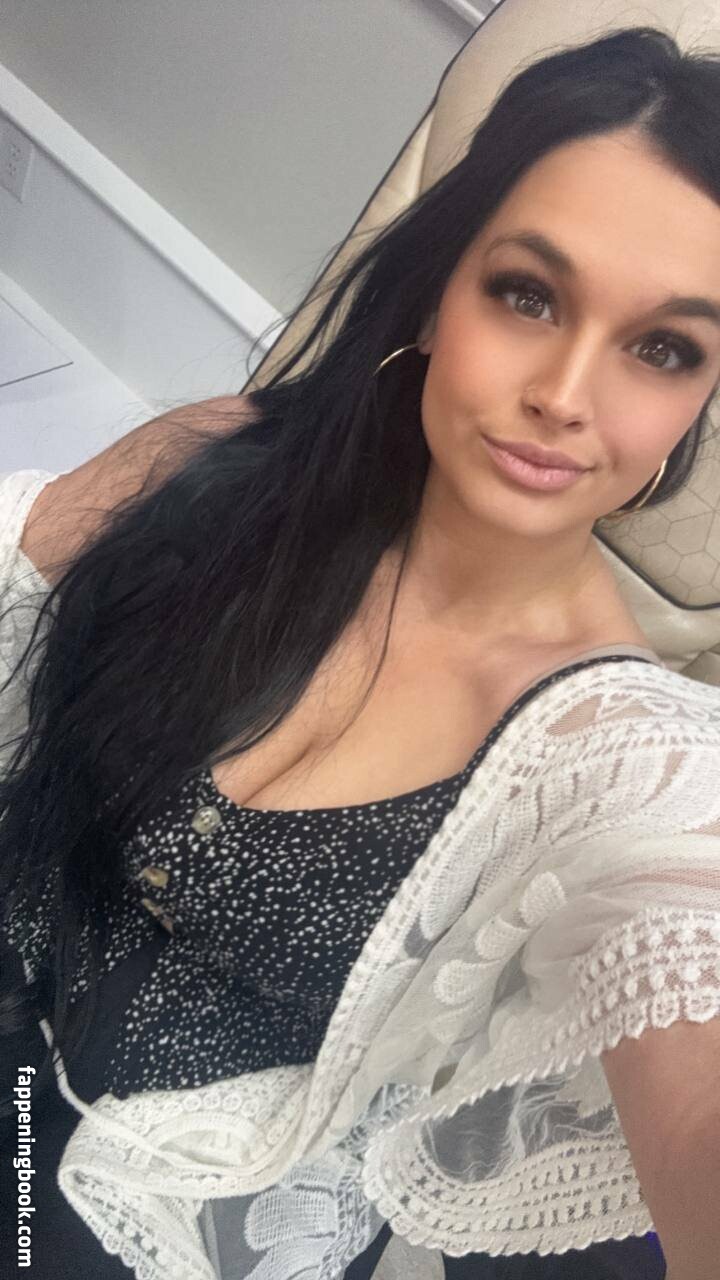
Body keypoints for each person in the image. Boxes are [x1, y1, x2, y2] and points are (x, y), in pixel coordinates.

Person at [2, 22, 720, 1280]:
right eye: (529, 293)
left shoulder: (621, 764)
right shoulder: (213, 468)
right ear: (439, 294)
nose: (564, 393)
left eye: (663, 348)